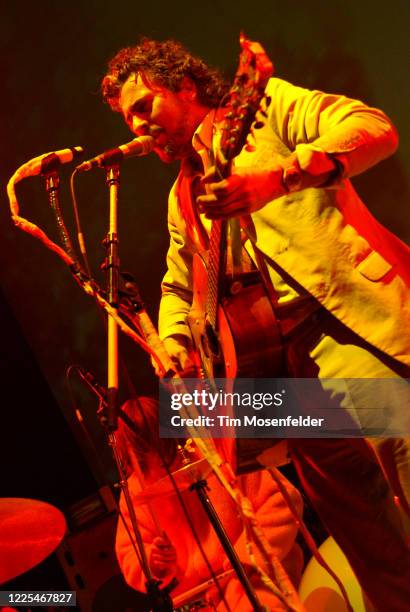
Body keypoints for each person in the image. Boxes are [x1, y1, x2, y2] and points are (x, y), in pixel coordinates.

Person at [102, 38, 410, 610]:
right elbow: (176, 285)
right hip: (275, 375)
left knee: (403, 467)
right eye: (128, 119)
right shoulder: (182, 198)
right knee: (369, 541)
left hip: (342, 329)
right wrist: (172, 342)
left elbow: (373, 126)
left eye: (145, 107)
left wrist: (280, 178)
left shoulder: (261, 111)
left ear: (186, 87)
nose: (140, 127)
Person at [115, 397, 304, 611]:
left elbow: (283, 501)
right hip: (194, 599)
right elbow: (129, 553)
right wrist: (155, 564)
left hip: (253, 577)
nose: (157, 461)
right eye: (143, 457)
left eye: (162, 448)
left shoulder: (214, 448)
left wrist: (244, 557)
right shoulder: (134, 491)